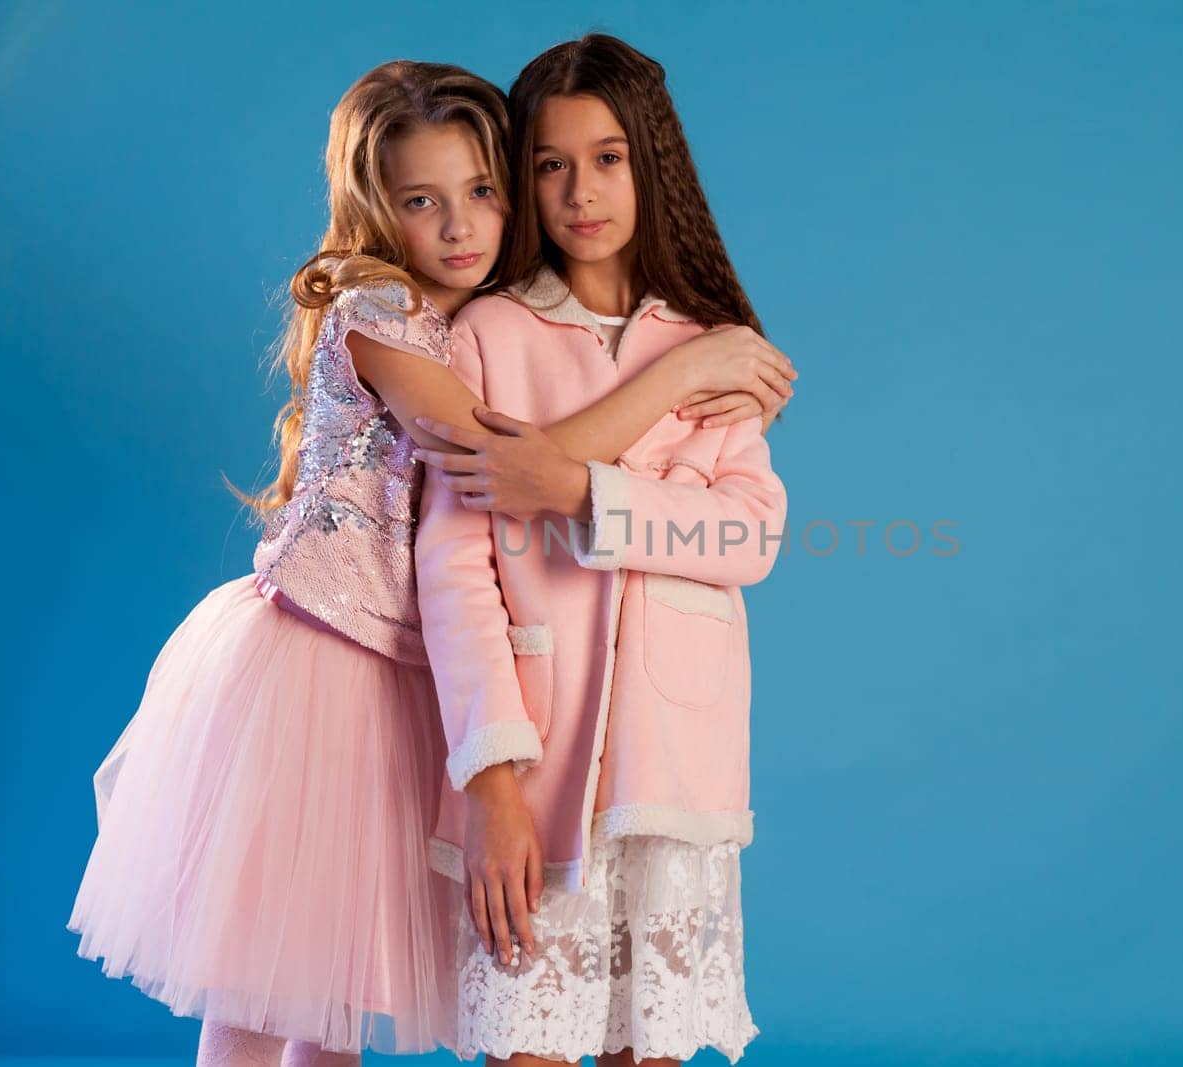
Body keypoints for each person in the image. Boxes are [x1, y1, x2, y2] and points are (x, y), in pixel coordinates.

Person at [67, 58, 794, 1066]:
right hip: (325, 659)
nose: (461, 224)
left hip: (430, 683)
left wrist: (679, 380)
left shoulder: (484, 323)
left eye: (480, 192)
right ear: (378, 209)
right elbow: (506, 465)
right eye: (425, 200)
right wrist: (682, 378)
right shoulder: (404, 319)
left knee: (334, 980)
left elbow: (746, 530)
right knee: (278, 973)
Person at [413, 34, 788, 1066]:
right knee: (525, 1044)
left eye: (609, 156)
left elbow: (748, 531)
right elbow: (455, 565)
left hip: (674, 769)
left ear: (651, 164)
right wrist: (488, 774)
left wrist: (580, 490)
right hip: (535, 762)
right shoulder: (486, 334)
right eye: (550, 162)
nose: (581, 190)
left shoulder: (709, 343)